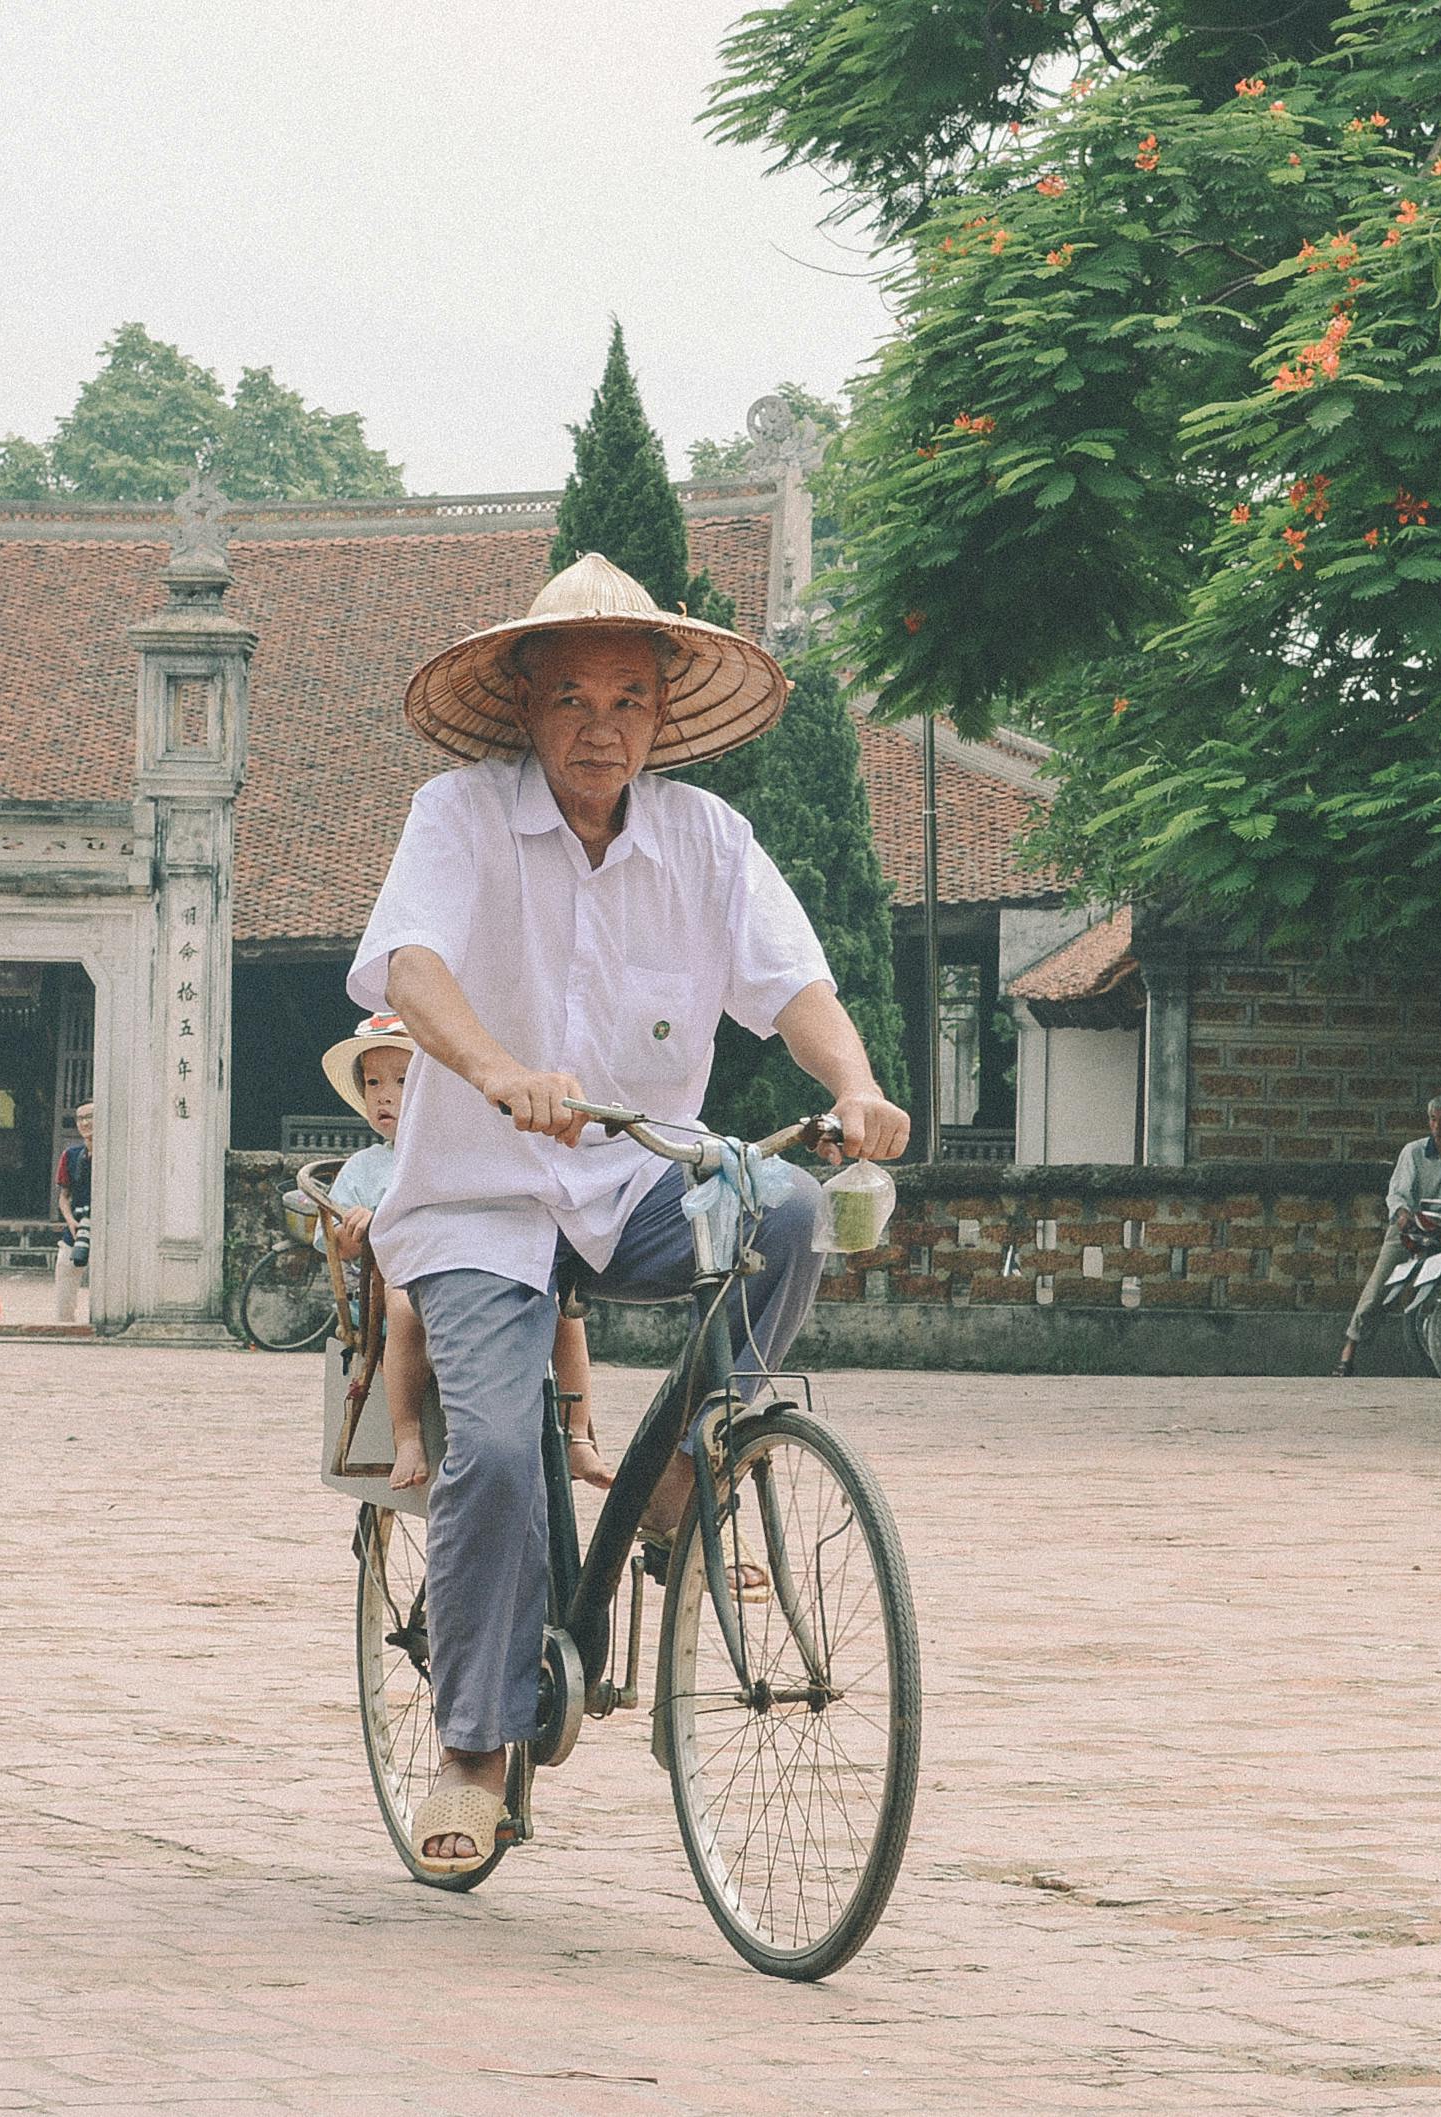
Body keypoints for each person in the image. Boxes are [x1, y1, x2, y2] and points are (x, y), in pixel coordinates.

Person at [350, 551, 910, 1873]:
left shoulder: (704, 839)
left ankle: (675, 1477)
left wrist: (854, 1080)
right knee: (490, 1451)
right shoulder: (459, 815)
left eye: (627, 699)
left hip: (632, 1176)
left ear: (660, 717)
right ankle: (474, 1746)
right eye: (570, 697)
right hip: (481, 1195)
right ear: (525, 706)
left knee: (780, 1207)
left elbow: (792, 982)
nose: (600, 724)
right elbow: (411, 963)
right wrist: (489, 1069)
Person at [314, 1014, 608, 1495]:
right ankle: (407, 1434)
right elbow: (339, 1246)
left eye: (405, 1081)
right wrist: (360, 1228)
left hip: (483, 1274)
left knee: (562, 1308)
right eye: (373, 1083)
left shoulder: (464, 1153)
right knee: (403, 1302)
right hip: (405, 1289)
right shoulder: (364, 1168)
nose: (385, 1095)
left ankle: (578, 1434)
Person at [1336, 1092, 1441, 1377]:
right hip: (1410, 1229)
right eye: (1434, 1119)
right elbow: (1397, 1194)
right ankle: (1349, 1351)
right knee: (1378, 1292)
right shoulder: (1414, 1151)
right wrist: (1404, 1215)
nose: (1439, 1126)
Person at [54, 1102, 94, 1322]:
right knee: (65, 1267)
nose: (85, 1123)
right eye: (80, 1118)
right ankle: (65, 1324)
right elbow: (63, 1196)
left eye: (90, 1116)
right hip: (77, 1225)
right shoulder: (71, 1155)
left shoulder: (115, 1155)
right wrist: (70, 1220)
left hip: (105, 1227)